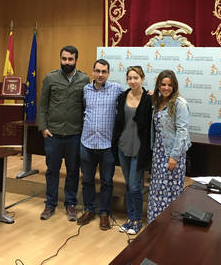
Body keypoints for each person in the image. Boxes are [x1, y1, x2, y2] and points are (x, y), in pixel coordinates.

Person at [37, 45, 90, 221]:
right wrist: (43, 128)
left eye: (70, 59)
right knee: (52, 171)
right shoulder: (50, 78)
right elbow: (43, 105)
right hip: (53, 134)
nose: (67, 62)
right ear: (60, 59)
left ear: (76, 60)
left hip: (74, 134)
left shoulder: (84, 79)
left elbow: (86, 106)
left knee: (73, 172)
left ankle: (71, 204)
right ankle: (50, 204)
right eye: (64, 59)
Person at [77, 59, 123, 230]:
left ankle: (104, 213)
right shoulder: (85, 90)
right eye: (97, 71)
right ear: (93, 72)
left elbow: (133, 98)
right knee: (87, 180)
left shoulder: (117, 89)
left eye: (104, 71)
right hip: (87, 143)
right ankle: (89, 210)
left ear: (108, 73)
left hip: (107, 145)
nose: (100, 74)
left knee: (106, 181)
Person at [112, 66, 152, 235]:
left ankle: (137, 220)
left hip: (139, 148)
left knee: (135, 186)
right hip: (123, 146)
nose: (133, 81)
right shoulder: (122, 97)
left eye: (136, 78)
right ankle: (131, 218)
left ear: (142, 79)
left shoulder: (149, 99)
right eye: (130, 78)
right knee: (129, 185)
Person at [147, 69, 190, 224]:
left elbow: (182, 131)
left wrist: (174, 156)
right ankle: (155, 225)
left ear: (174, 86)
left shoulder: (180, 104)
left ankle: (169, 228)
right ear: (159, 85)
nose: (166, 88)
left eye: (169, 85)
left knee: (170, 193)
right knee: (157, 191)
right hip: (159, 151)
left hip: (172, 154)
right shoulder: (158, 102)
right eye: (163, 84)